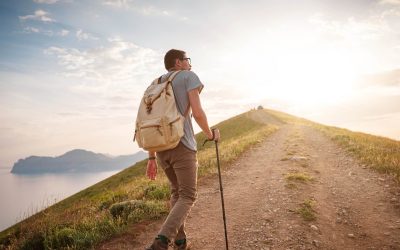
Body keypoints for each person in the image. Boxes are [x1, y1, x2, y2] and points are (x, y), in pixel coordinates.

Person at [146, 49, 220, 250]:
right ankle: (161, 242)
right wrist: (210, 134)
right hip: (182, 145)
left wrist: (151, 157)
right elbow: (197, 113)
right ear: (178, 62)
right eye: (188, 60)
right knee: (188, 195)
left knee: (177, 192)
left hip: (161, 148)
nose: (190, 64)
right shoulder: (188, 76)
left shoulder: (155, 84)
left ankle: (181, 241)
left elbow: (150, 122)